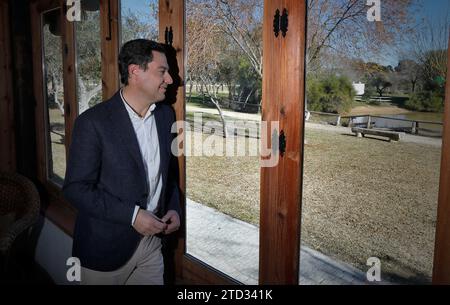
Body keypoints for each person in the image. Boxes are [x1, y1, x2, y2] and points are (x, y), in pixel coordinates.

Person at [63, 39, 181, 285]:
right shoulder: (93, 123)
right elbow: (76, 189)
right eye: (162, 71)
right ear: (135, 72)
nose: (170, 80)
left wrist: (174, 209)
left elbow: (167, 174)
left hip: (151, 246)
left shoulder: (165, 115)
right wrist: (133, 215)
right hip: (103, 252)